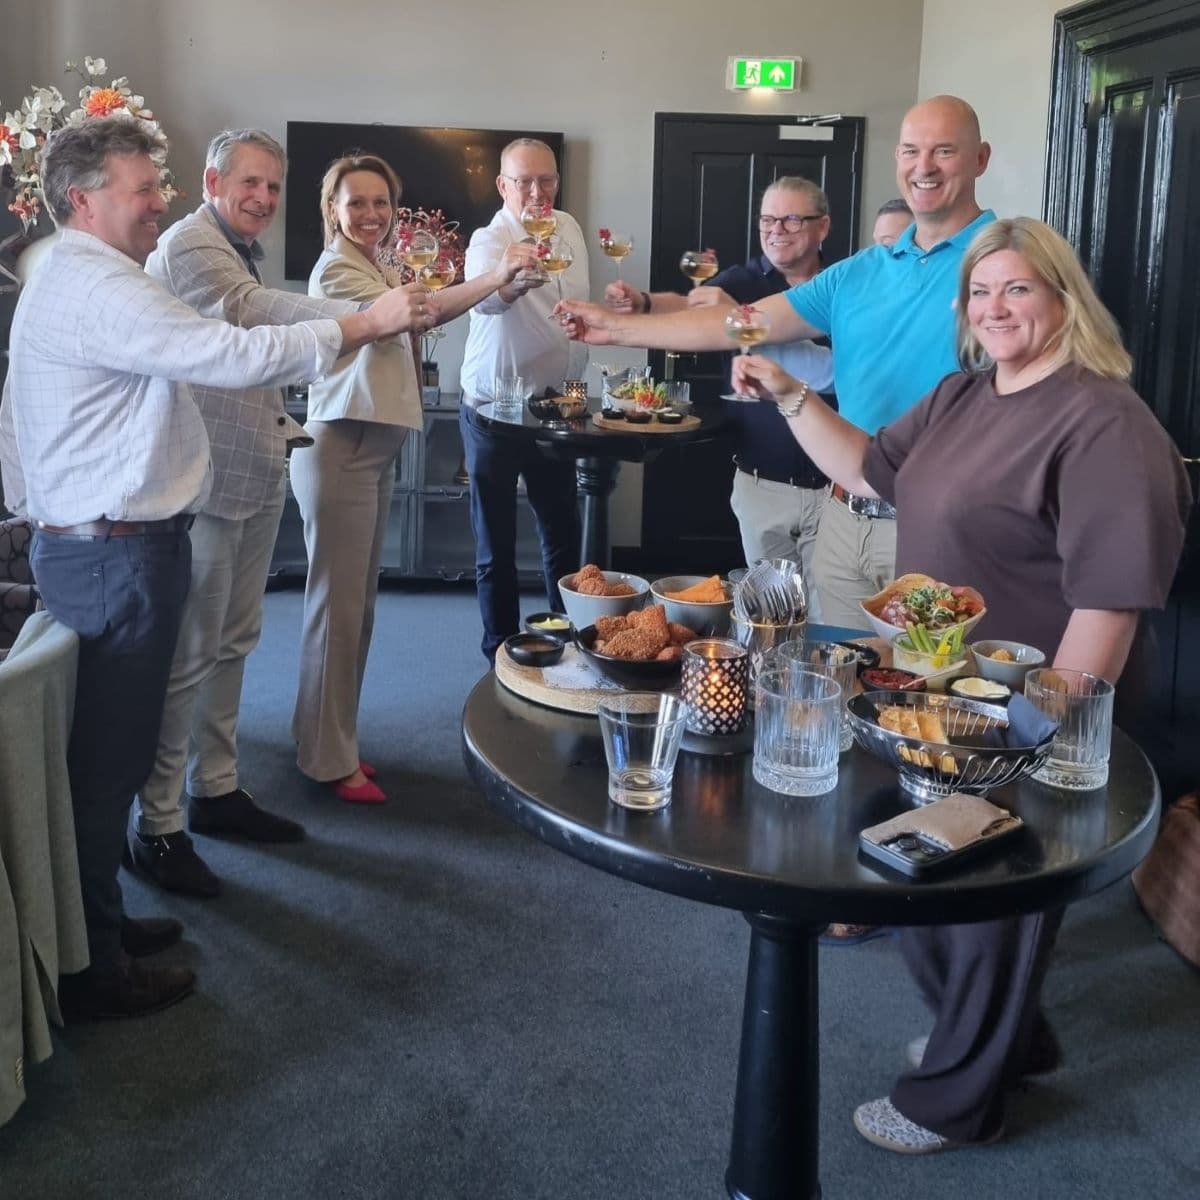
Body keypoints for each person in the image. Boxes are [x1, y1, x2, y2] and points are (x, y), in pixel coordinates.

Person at [730, 216, 1190, 1153]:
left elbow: (1109, 601)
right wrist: (784, 392)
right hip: (939, 691)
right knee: (930, 875)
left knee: (988, 901)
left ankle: (957, 1099)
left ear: (1064, 297)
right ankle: (1009, 1040)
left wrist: (1041, 730)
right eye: (981, 293)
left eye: (1017, 289)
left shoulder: (1103, 419)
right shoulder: (964, 395)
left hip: (1038, 699)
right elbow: (869, 470)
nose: (996, 307)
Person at [4, 116, 428, 1020]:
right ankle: (91, 969)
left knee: (107, 761)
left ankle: (100, 926)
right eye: (143, 186)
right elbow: (227, 350)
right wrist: (365, 321)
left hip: (103, 542)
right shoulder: (97, 284)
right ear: (84, 200)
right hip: (114, 550)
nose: (161, 199)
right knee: (105, 768)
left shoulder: (84, 274)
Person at [556, 96, 995, 628]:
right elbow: (741, 322)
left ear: (980, 159)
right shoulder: (860, 273)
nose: (922, 167)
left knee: (928, 692)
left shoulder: (1001, 264)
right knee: (834, 675)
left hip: (937, 522)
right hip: (845, 517)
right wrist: (617, 326)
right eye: (910, 151)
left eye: (943, 151)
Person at [128, 129, 369, 898]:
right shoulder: (192, 244)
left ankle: (217, 790)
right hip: (198, 486)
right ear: (212, 179)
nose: (264, 199)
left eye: (273, 187)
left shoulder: (236, 243)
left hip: (254, 473)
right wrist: (365, 316)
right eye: (251, 184)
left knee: (234, 643)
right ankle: (157, 826)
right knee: (188, 659)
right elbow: (250, 312)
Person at [291, 153, 538, 802]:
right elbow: (418, 314)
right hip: (341, 445)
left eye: (381, 202)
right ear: (333, 210)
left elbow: (425, 307)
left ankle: (334, 742)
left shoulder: (380, 264)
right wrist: (494, 275)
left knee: (356, 610)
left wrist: (494, 285)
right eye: (356, 203)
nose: (370, 214)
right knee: (335, 613)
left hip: (370, 448)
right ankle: (325, 759)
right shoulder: (337, 266)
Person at [604, 178, 835, 615]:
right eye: (767, 219)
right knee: (771, 615)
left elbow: (837, 367)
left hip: (834, 489)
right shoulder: (744, 280)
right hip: (762, 483)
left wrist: (736, 314)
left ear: (822, 226)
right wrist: (644, 302)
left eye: (790, 218)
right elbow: (693, 306)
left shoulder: (843, 284)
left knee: (827, 615)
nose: (776, 230)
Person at [458, 138, 589, 661]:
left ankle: (566, 648)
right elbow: (485, 300)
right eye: (524, 181)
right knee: (496, 547)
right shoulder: (489, 240)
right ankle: (499, 654)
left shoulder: (571, 228)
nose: (538, 193)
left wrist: (580, 393)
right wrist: (507, 283)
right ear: (502, 185)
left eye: (547, 180)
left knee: (562, 537)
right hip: (493, 410)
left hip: (559, 406)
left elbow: (573, 310)